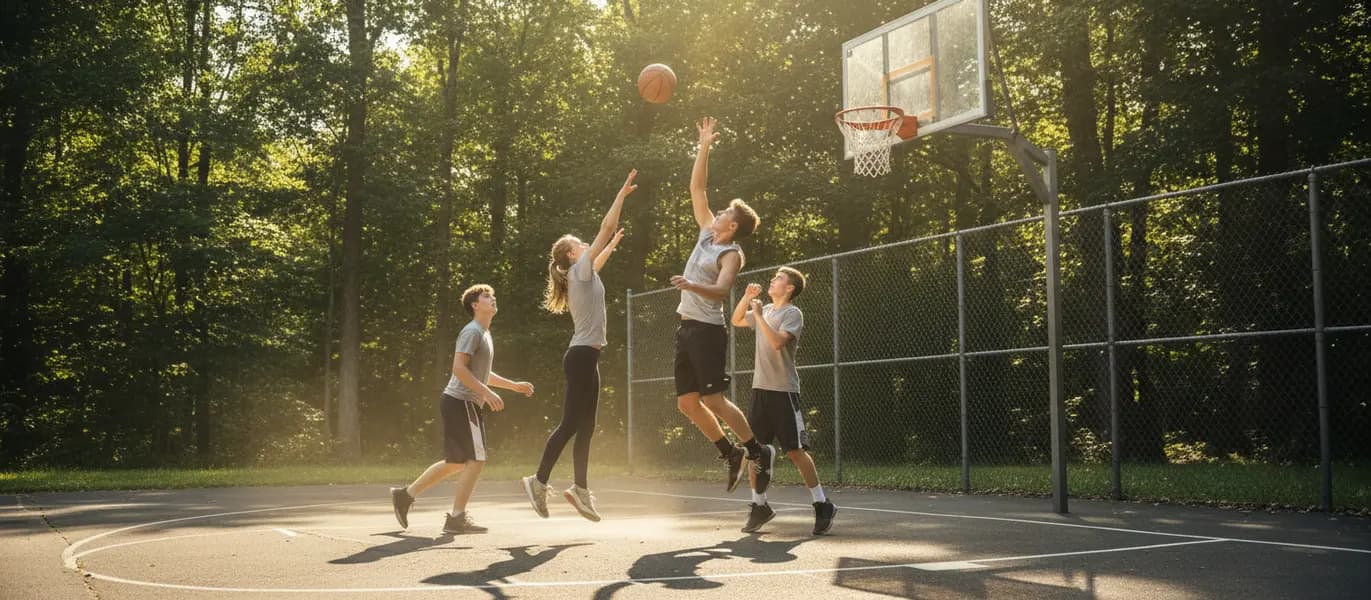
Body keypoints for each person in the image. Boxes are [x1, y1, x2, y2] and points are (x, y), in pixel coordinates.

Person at [521, 169, 638, 522]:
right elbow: (602, 230)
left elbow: (600, 254)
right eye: (580, 245)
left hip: (588, 357)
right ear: (572, 255)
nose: (586, 246)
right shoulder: (578, 270)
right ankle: (538, 481)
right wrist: (620, 195)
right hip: (581, 356)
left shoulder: (583, 273)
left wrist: (613, 245)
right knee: (571, 423)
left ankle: (580, 490)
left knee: (586, 427)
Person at [673, 116, 772, 492]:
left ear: (732, 225)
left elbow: (722, 290)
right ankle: (729, 452)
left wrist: (691, 283)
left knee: (713, 398)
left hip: (708, 330)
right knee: (687, 403)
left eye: (727, 213)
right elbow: (697, 187)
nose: (721, 213)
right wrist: (704, 146)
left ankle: (756, 450)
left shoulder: (732, 253)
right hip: (686, 327)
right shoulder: (706, 233)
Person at [390, 284, 534, 534]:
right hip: (462, 402)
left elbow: (482, 374)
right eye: (486, 296)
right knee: (476, 460)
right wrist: (485, 393)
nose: (492, 298)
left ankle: (405, 495)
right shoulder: (472, 331)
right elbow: (458, 368)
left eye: (493, 294)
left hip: (460, 402)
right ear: (475, 305)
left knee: (457, 462)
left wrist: (514, 386)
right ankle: (456, 518)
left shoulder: (485, 334)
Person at [730, 268, 836, 535]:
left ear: (789, 289)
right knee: (755, 450)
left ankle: (822, 503)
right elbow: (736, 320)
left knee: (795, 451)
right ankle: (759, 506)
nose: (773, 280)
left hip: (783, 391)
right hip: (760, 390)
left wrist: (761, 315)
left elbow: (777, 343)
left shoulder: (792, 313)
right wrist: (747, 298)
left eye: (778, 278)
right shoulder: (764, 309)